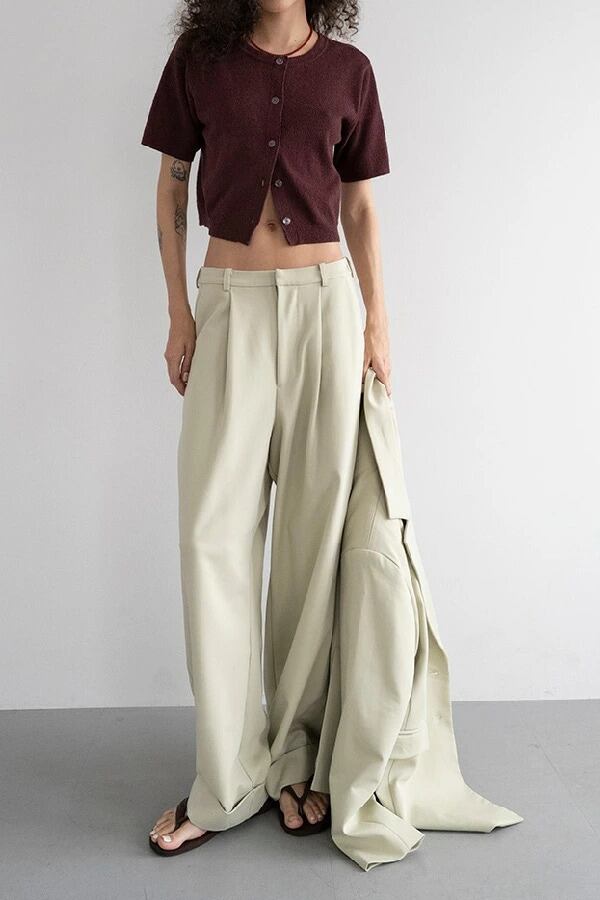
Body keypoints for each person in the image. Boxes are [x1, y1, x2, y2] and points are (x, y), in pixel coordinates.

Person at [141, 0, 391, 854]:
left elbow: (359, 207)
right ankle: (225, 778)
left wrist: (378, 325)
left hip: (326, 311)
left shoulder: (349, 73)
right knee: (211, 537)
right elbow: (171, 184)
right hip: (229, 309)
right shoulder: (199, 60)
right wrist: (178, 312)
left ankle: (292, 762)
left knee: (312, 546)